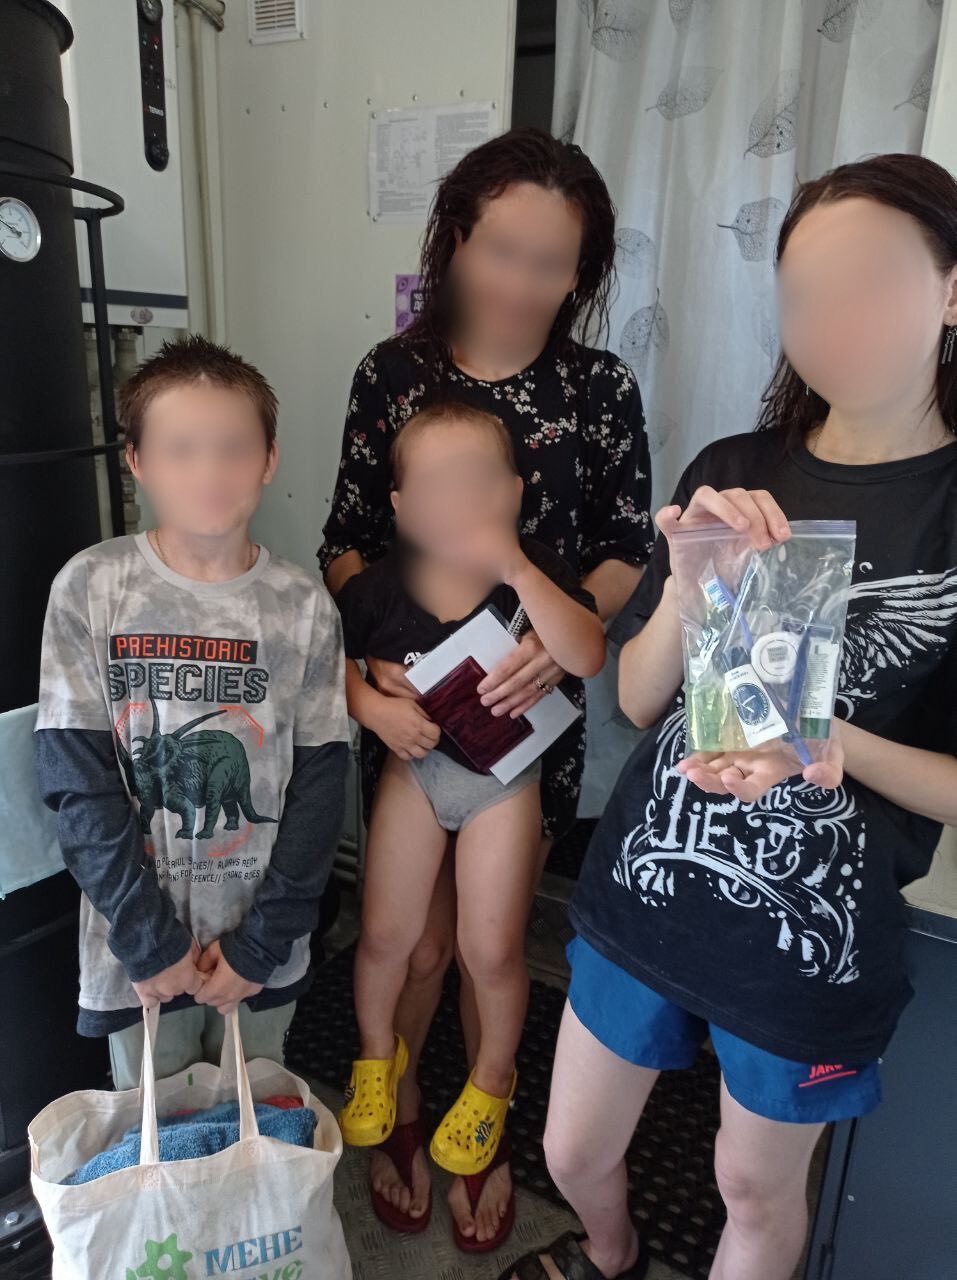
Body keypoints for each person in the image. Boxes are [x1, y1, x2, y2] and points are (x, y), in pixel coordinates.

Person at [502, 152, 957, 1280]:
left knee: (752, 1190)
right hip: (651, 881)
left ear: (951, 290)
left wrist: (827, 744)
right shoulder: (737, 469)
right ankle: (610, 1254)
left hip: (809, 937)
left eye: (869, 283)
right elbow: (639, 697)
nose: (831, 322)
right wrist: (690, 581)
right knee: (569, 1148)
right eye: (803, 294)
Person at [319, 128, 653, 1247]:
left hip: (522, 722)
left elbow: (625, 547)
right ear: (456, 238)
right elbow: (345, 540)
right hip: (415, 712)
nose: (519, 282)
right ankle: (403, 1097)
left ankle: (485, 1121)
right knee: (409, 939)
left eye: (550, 263)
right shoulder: (391, 375)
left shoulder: (599, 388)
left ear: (581, 272)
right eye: (501, 249)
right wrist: (373, 658)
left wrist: (568, 631)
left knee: (487, 943)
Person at [35, 335, 350, 1089]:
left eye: (233, 448)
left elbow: (320, 784)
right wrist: (150, 942)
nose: (209, 473)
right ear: (137, 461)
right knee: (160, 1131)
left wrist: (262, 944)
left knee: (256, 1114)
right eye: (180, 450)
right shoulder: (90, 586)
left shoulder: (304, 605)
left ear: (269, 459)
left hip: (260, 948)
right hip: (137, 953)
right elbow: (75, 781)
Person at [335, 403, 604, 1238]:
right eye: (436, 487)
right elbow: (325, 666)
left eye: (477, 483)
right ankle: (377, 1061)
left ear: (515, 492)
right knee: (388, 935)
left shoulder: (536, 571)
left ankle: (490, 1083)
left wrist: (518, 568)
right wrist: (370, 703)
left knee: (489, 949)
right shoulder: (378, 587)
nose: (457, 502)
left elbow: (587, 653)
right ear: (400, 505)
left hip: (505, 782)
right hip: (414, 775)